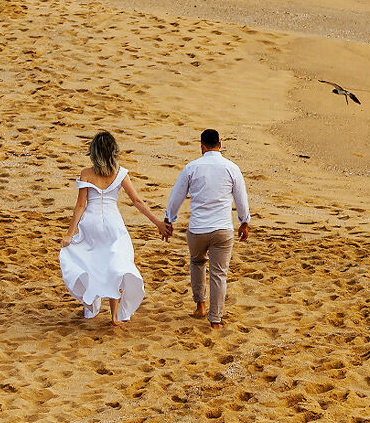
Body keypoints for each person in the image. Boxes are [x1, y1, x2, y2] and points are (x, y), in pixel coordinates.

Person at [59, 131, 171, 327]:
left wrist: (69, 234)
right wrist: (158, 223)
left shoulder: (86, 173)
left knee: (93, 262)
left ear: (94, 152)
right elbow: (137, 201)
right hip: (113, 225)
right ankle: (114, 316)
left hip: (91, 224)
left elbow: (81, 205)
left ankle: (91, 303)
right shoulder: (120, 173)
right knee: (115, 266)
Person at [163, 128, 251, 329]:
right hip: (222, 229)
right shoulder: (231, 168)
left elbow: (176, 197)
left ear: (202, 146)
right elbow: (241, 198)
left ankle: (200, 306)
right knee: (219, 274)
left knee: (197, 262)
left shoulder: (192, 168)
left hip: (198, 229)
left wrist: (169, 219)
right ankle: (216, 319)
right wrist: (244, 222)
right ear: (220, 145)